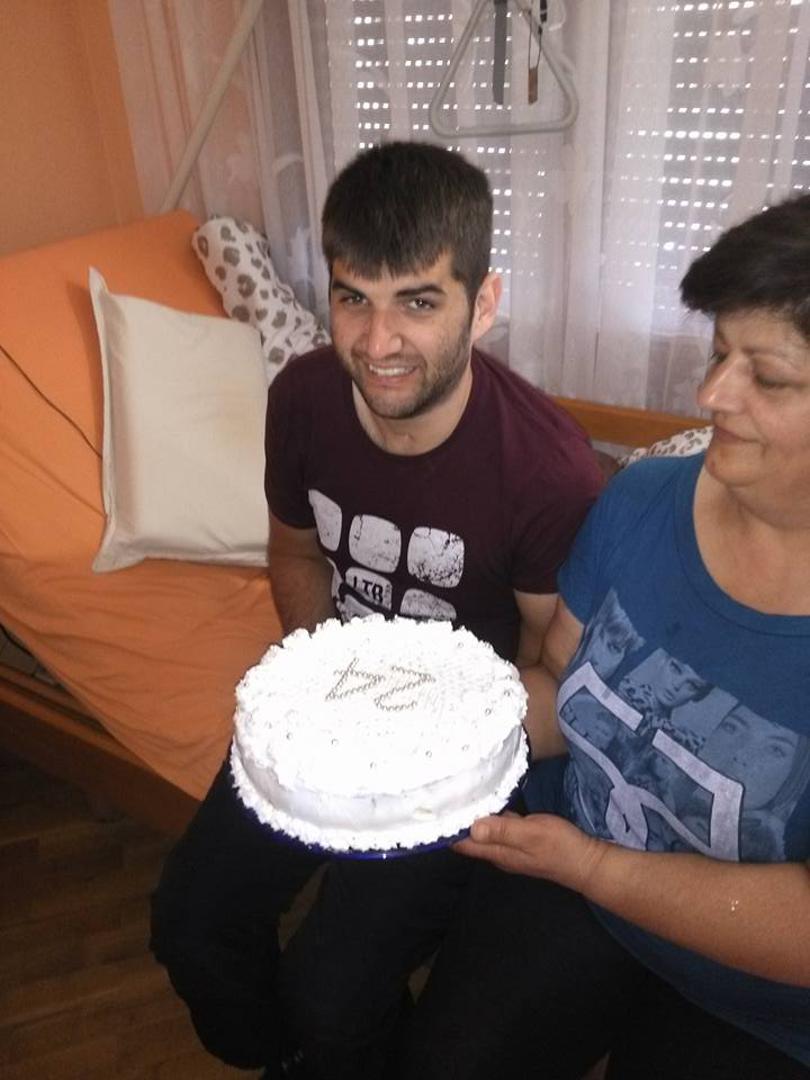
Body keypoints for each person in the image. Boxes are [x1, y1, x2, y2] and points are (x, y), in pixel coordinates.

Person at [149, 141, 604, 1080]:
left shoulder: (547, 473)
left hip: (454, 764)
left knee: (335, 990)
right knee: (189, 923)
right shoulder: (303, 399)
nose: (377, 341)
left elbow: (553, 686)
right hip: (331, 712)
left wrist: (411, 763)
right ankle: (278, 1058)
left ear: (485, 303)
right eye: (354, 297)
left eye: (419, 302)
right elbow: (295, 550)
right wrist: (325, 691)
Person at [400, 193, 810, 1079]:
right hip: (571, 876)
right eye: (718, 353)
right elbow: (558, 684)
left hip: (760, 1001)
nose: (710, 395)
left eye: (768, 377)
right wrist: (428, 722)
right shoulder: (643, 500)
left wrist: (593, 867)